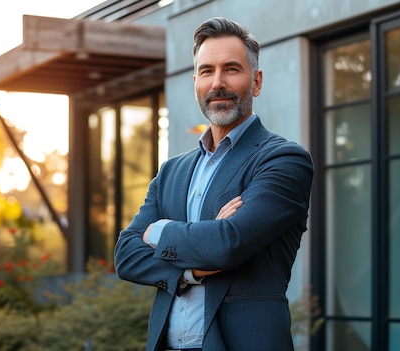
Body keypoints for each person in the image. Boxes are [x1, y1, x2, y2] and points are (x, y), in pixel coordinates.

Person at [114, 17, 314, 351]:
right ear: (195, 82)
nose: (217, 83)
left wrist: (159, 230)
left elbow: (227, 244)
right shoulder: (171, 173)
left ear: (257, 81)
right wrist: (193, 269)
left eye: (231, 69)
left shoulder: (283, 160)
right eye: (207, 71)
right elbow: (125, 255)